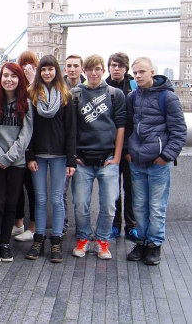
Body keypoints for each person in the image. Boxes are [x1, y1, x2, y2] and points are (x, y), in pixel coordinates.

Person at [126, 57, 186, 265]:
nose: (138, 76)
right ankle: (141, 241)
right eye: (135, 73)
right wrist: (128, 152)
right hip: (137, 161)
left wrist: (166, 157)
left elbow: (179, 132)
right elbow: (128, 127)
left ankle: (154, 245)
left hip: (158, 163)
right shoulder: (132, 97)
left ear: (152, 72)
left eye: (142, 72)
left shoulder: (167, 98)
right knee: (139, 206)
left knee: (157, 207)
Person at [71, 55, 125, 260]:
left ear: (104, 70)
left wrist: (117, 156)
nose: (93, 73)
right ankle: (83, 237)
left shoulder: (115, 95)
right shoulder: (75, 94)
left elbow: (121, 126)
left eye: (97, 69)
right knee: (80, 204)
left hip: (108, 159)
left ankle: (103, 240)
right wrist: (73, 155)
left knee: (109, 205)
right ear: (84, 71)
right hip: (83, 160)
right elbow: (70, 129)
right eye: (90, 69)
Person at [24, 55, 76, 263]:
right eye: (43, 69)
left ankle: (56, 242)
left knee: (57, 199)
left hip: (60, 156)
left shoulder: (66, 96)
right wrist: (29, 155)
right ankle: (39, 240)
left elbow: (71, 130)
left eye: (50, 69)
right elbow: (27, 129)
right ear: (39, 73)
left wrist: (71, 160)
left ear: (57, 71)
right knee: (40, 199)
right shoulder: (32, 95)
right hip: (38, 156)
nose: (46, 73)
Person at [0, 62, 33, 263]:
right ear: (0, 78)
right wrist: (0, 157)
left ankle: (5, 244)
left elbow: (26, 134)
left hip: (16, 162)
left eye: (13, 76)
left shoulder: (26, 102)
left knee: (11, 204)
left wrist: (10, 157)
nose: (9, 80)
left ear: (20, 79)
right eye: (5, 75)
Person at [106, 52, 138, 240]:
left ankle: (131, 226)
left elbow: (136, 120)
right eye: (113, 65)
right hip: (109, 147)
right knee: (113, 189)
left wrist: (131, 148)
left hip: (129, 149)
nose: (116, 69)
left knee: (131, 188)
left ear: (126, 68)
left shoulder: (134, 86)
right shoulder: (103, 87)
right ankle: (115, 225)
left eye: (120, 66)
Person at [13, 50, 38, 242]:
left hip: (35, 145)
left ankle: (34, 227)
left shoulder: (39, 86)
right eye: (23, 65)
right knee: (17, 188)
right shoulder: (16, 86)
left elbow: (41, 107)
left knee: (34, 189)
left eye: (30, 65)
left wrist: (32, 81)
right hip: (17, 145)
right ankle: (18, 224)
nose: (26, 68)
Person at [60, 54, 85, 236]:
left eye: (76, 65)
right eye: (69, 65)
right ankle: (62, 225)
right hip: (64, 149)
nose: (72, 69)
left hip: (84, 149)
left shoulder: (89, 89)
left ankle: (82, 231)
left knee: (81, 196)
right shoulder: (58, 88)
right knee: (61, 192)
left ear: (82, 68)